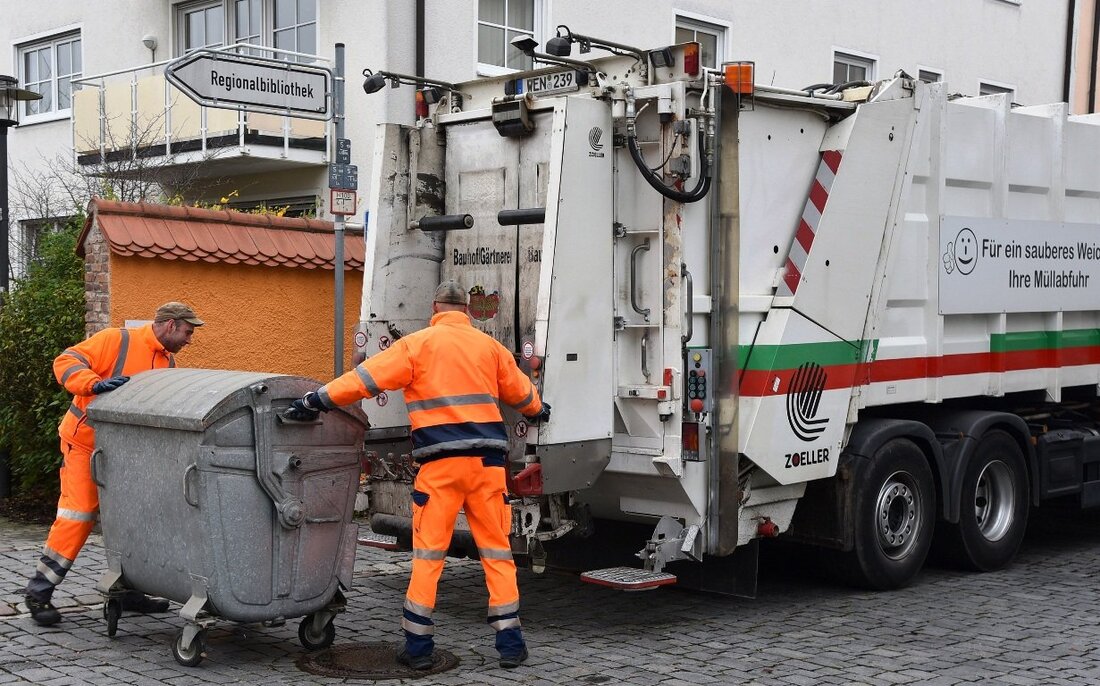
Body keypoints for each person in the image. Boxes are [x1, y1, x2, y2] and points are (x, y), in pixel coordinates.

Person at [283, 280, 549, 670]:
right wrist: (539, 410)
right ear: (468, 313)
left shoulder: (416, 345)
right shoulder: (489, 348)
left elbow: (363, 381)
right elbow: (522, 394)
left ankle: (419, 647)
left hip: (440, 468)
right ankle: (510, 643)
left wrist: (315, 401)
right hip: (488, 467)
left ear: (435, 308)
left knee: (429, 557)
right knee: (496, 552)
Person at [24, 301, 204, 626]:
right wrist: (93, 384)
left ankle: (129, 591)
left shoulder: (168, 363)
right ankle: (39, 591)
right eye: (188, 332)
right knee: (77, 516)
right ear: (171, 325)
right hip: (84, 444)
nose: (190, 339)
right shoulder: (115, 340)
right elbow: (66, 361)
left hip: (127, 454)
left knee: (134, 520)